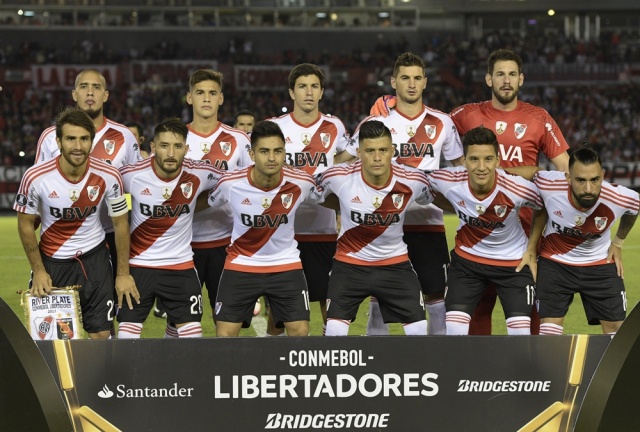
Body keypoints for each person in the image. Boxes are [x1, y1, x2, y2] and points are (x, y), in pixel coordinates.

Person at [372, 49, 570, 335]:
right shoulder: (466, 115)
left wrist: (532, 182)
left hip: (526, 235)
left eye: (512, 74)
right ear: (489, 79)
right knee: (476, 316)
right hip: (476, 231)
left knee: (531, 317)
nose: (506, 80)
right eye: (500, 74)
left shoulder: (539, 118)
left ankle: (533, 364)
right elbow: (425, 121)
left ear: (521, 79)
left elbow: (566, 171)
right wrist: (389, 105)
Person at [337, 52, 463, 336]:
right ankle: (378, 357)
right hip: (383, 223)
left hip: (427, 221)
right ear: (393, 82)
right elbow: (344, 161)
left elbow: (460, 168)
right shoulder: (377, 121)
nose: (412, 84)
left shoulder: (442, 122)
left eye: (417, 78)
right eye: (405, 78)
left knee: (435, 294)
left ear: (425, 82)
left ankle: (437, 357)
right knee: (379, 294)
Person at [15, 107, 138, 339]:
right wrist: (39, 270)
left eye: (84, 139)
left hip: (95, 260)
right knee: (52, 339)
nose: (78, 146)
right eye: (71, 139)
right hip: (52, 262)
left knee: (101, 335)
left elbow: (121, 224)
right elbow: (25, 225)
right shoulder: (35, 177)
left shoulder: (110, 175)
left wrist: (122, 273)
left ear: (92, 141)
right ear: (59, 142)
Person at [313, 120, 432, 336]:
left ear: (392, 151)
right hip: (349, 265)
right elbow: (311, 194)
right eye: (370, 151)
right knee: (334, 332)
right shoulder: (338, 176)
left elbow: (432, 197)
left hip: (395, 264)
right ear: (359, 153)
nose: (377, 157)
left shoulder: (414, 180)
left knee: (419, 331)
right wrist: (341, 205)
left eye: (383, 150)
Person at [426, 126, 543, 335]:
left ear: (498, 161)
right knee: (454, 329)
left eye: (488, 159)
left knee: (520, 334)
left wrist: (532, 249)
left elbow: (542, 206)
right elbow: (421, 185)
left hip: (513, 264)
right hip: (467, 264)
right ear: (464, 161)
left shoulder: (517, 188)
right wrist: (457, 206)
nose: (481, 167)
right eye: (474, 159)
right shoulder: (447, 180)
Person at [34, 69, 141, 286]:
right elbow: (36, 188)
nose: (90, 92)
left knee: (112, 301)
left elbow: (137, 188)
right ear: (74, 94)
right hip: (60, 239)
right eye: (83, 87)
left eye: (96, 87)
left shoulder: (124, 137)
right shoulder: (50, 137)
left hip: (111, 234)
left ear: (105, 95)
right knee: (62, 305)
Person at [117, 118, 222, 339]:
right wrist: (122, 274)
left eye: (177, 146)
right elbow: (104, 186)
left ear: (186, 148)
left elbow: (234, 182)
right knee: (127, 338)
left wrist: (194, 203)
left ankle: (171, 351)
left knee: (192, 338)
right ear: (153, 147)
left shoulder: (200, 172)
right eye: (164, 146)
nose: (171, 153)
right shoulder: (130, 175)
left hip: (180, 266)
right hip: (139, 266)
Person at [207, 120, 314, 337]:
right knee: (224, 336)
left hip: (285, 263)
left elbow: (325, 198)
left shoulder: (302, 182)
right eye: (264, 151)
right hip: (241, 263)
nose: (272, 158)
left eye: (277, 151)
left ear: (284, 153)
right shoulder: (230, 183)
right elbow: (209, 202)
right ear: (252, 154)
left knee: (301, 334)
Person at [517, 147, 639, 335]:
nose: (588, 189)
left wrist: (618, 242)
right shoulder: (551, 185)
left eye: (594, 180)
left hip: (600, 263)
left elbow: (634, 209)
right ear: (568, 178)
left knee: (616, 333)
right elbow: (534, 172)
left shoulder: (619, 197)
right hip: (555, 263)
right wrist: (496, 171)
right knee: (549, 333)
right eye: (580, 180)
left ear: (603, 176)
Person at [268, 63, 349, 336]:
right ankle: (272, 356)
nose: (309, 92)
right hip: (282, 233)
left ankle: (328, 354)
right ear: (292, 92)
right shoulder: (275, 127)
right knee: (279, 311)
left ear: (322, 91)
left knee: (329, 303)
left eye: (314, 86)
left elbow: (345, 161)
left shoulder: (334, 126)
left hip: (323, 231)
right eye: (302, 86)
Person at [184, 69, 253, 333]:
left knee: (227, 324)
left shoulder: (239, 139)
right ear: (189, 97)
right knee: (182, 323)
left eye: (212, 93)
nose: (206, 98)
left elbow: (252, 187)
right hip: (183, 246)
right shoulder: (177, 139)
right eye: (200, 93)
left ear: (221, 99)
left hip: (227, 243)